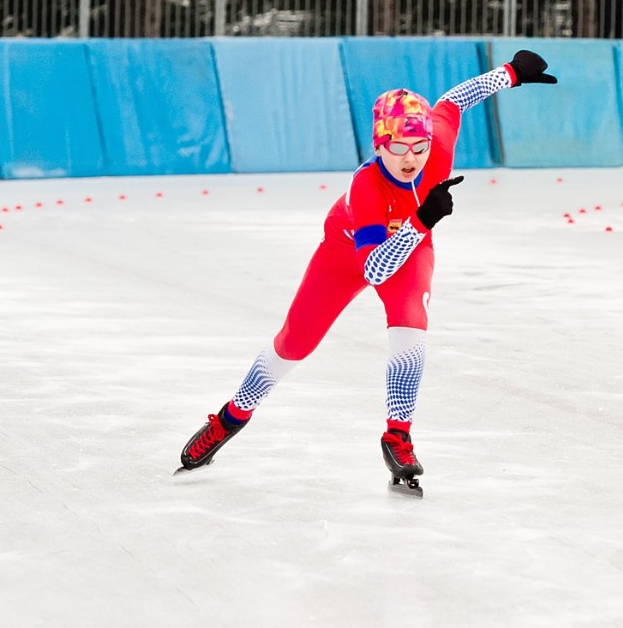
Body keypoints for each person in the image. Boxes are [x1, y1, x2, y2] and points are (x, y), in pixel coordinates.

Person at [177, 51, 558, 487]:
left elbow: (455, 99)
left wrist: (510, 74)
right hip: (348, 251)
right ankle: (231, 417)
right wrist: (421, 220)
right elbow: (375, 268)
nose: (411, 157)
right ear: (379, 146)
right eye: (397, 147)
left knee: (411, 321)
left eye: (419, 146)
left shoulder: (438, 142)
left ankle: (398, 435)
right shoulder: (367, 186)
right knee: (294, 342)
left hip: (413, 246)